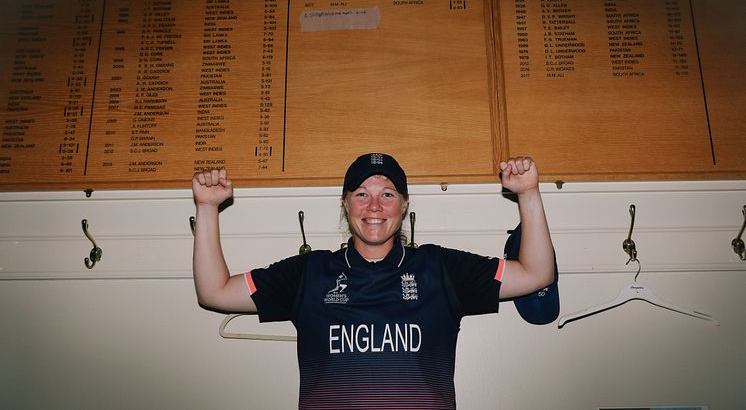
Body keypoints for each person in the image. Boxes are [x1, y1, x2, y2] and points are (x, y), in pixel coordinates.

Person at [192, 153, 555, 410]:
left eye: (387, 194)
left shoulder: (440, 268)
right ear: (346, 204)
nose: (375, 207)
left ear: (404, 205)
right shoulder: (308, 273)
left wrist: (528, 193)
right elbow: (215, 291)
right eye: (362, 194)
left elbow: (537, 274)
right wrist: (207, 207)